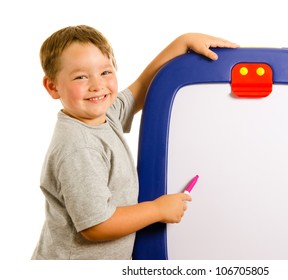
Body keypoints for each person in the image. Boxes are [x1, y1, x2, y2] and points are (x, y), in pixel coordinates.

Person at [31, 25, 238, 259]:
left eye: (106, 72)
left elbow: (141, 86)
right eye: (81, 76)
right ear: (52, 86)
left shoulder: (104, 114)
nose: (97, 85)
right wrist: (157, 210)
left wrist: (183, 41)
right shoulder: (79, 147)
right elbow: (96, 225)